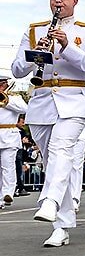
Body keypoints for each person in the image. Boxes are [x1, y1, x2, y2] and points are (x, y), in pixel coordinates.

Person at [11, 0, 85, 247]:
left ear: (75, 1)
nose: (58, 2)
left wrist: (67, 47)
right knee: (53, 162)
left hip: (74, 101)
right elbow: (17, 70)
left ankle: (49, 200)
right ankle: (61, 226)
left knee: (61, 150)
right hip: (42, 103)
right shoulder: (34, 30)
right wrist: (35, 56)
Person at [1, 76, 28, 207]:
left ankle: (7, 193)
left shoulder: (14, 97)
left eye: (2, 84)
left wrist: (7, 100)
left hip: (9, 135)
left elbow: (24, 109)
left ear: (6, 84)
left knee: (8, 166)